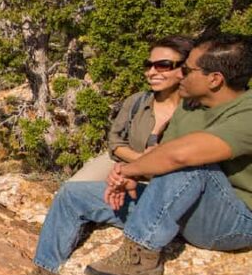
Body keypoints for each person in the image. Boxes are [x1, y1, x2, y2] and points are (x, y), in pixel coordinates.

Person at [5, 33, 252, 275]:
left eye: (188, 69)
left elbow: (179, 156)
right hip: (181, 207)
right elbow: (160, 152)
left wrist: (130, 169)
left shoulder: (246, 114)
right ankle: (44, 272)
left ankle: (140, 254)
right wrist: (136, 174)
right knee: (73, 195)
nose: (180, 75)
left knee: (191, 163)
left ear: (215, 79)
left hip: (231, 221)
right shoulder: (190, 106)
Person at [69, 36, 193, 181]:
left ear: (186, 68)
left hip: (170, 177)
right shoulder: (138, 101)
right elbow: (115, 141)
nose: (151, 72)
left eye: (163, 65)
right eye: (148, 65)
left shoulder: (199, 111)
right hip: (127, 163)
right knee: (73, 189)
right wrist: (141, 160)